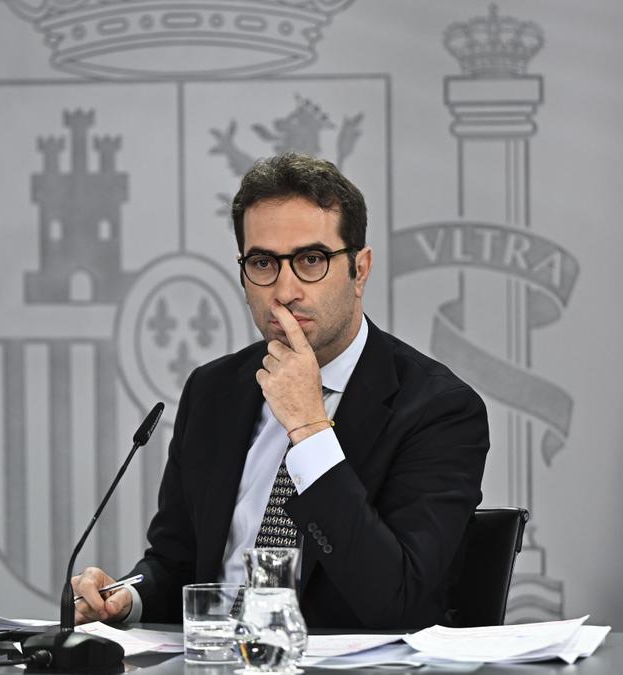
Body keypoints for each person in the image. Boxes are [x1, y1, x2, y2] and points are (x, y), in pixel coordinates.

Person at [72, 153, 489, 629]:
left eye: (312, 259)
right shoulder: (214, 391)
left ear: (361, 270)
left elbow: (399, 601)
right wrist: (126, 597)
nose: (285, 290)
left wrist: (308, 428)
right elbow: (179, 565)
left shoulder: (438, 410)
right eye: (263, 262)